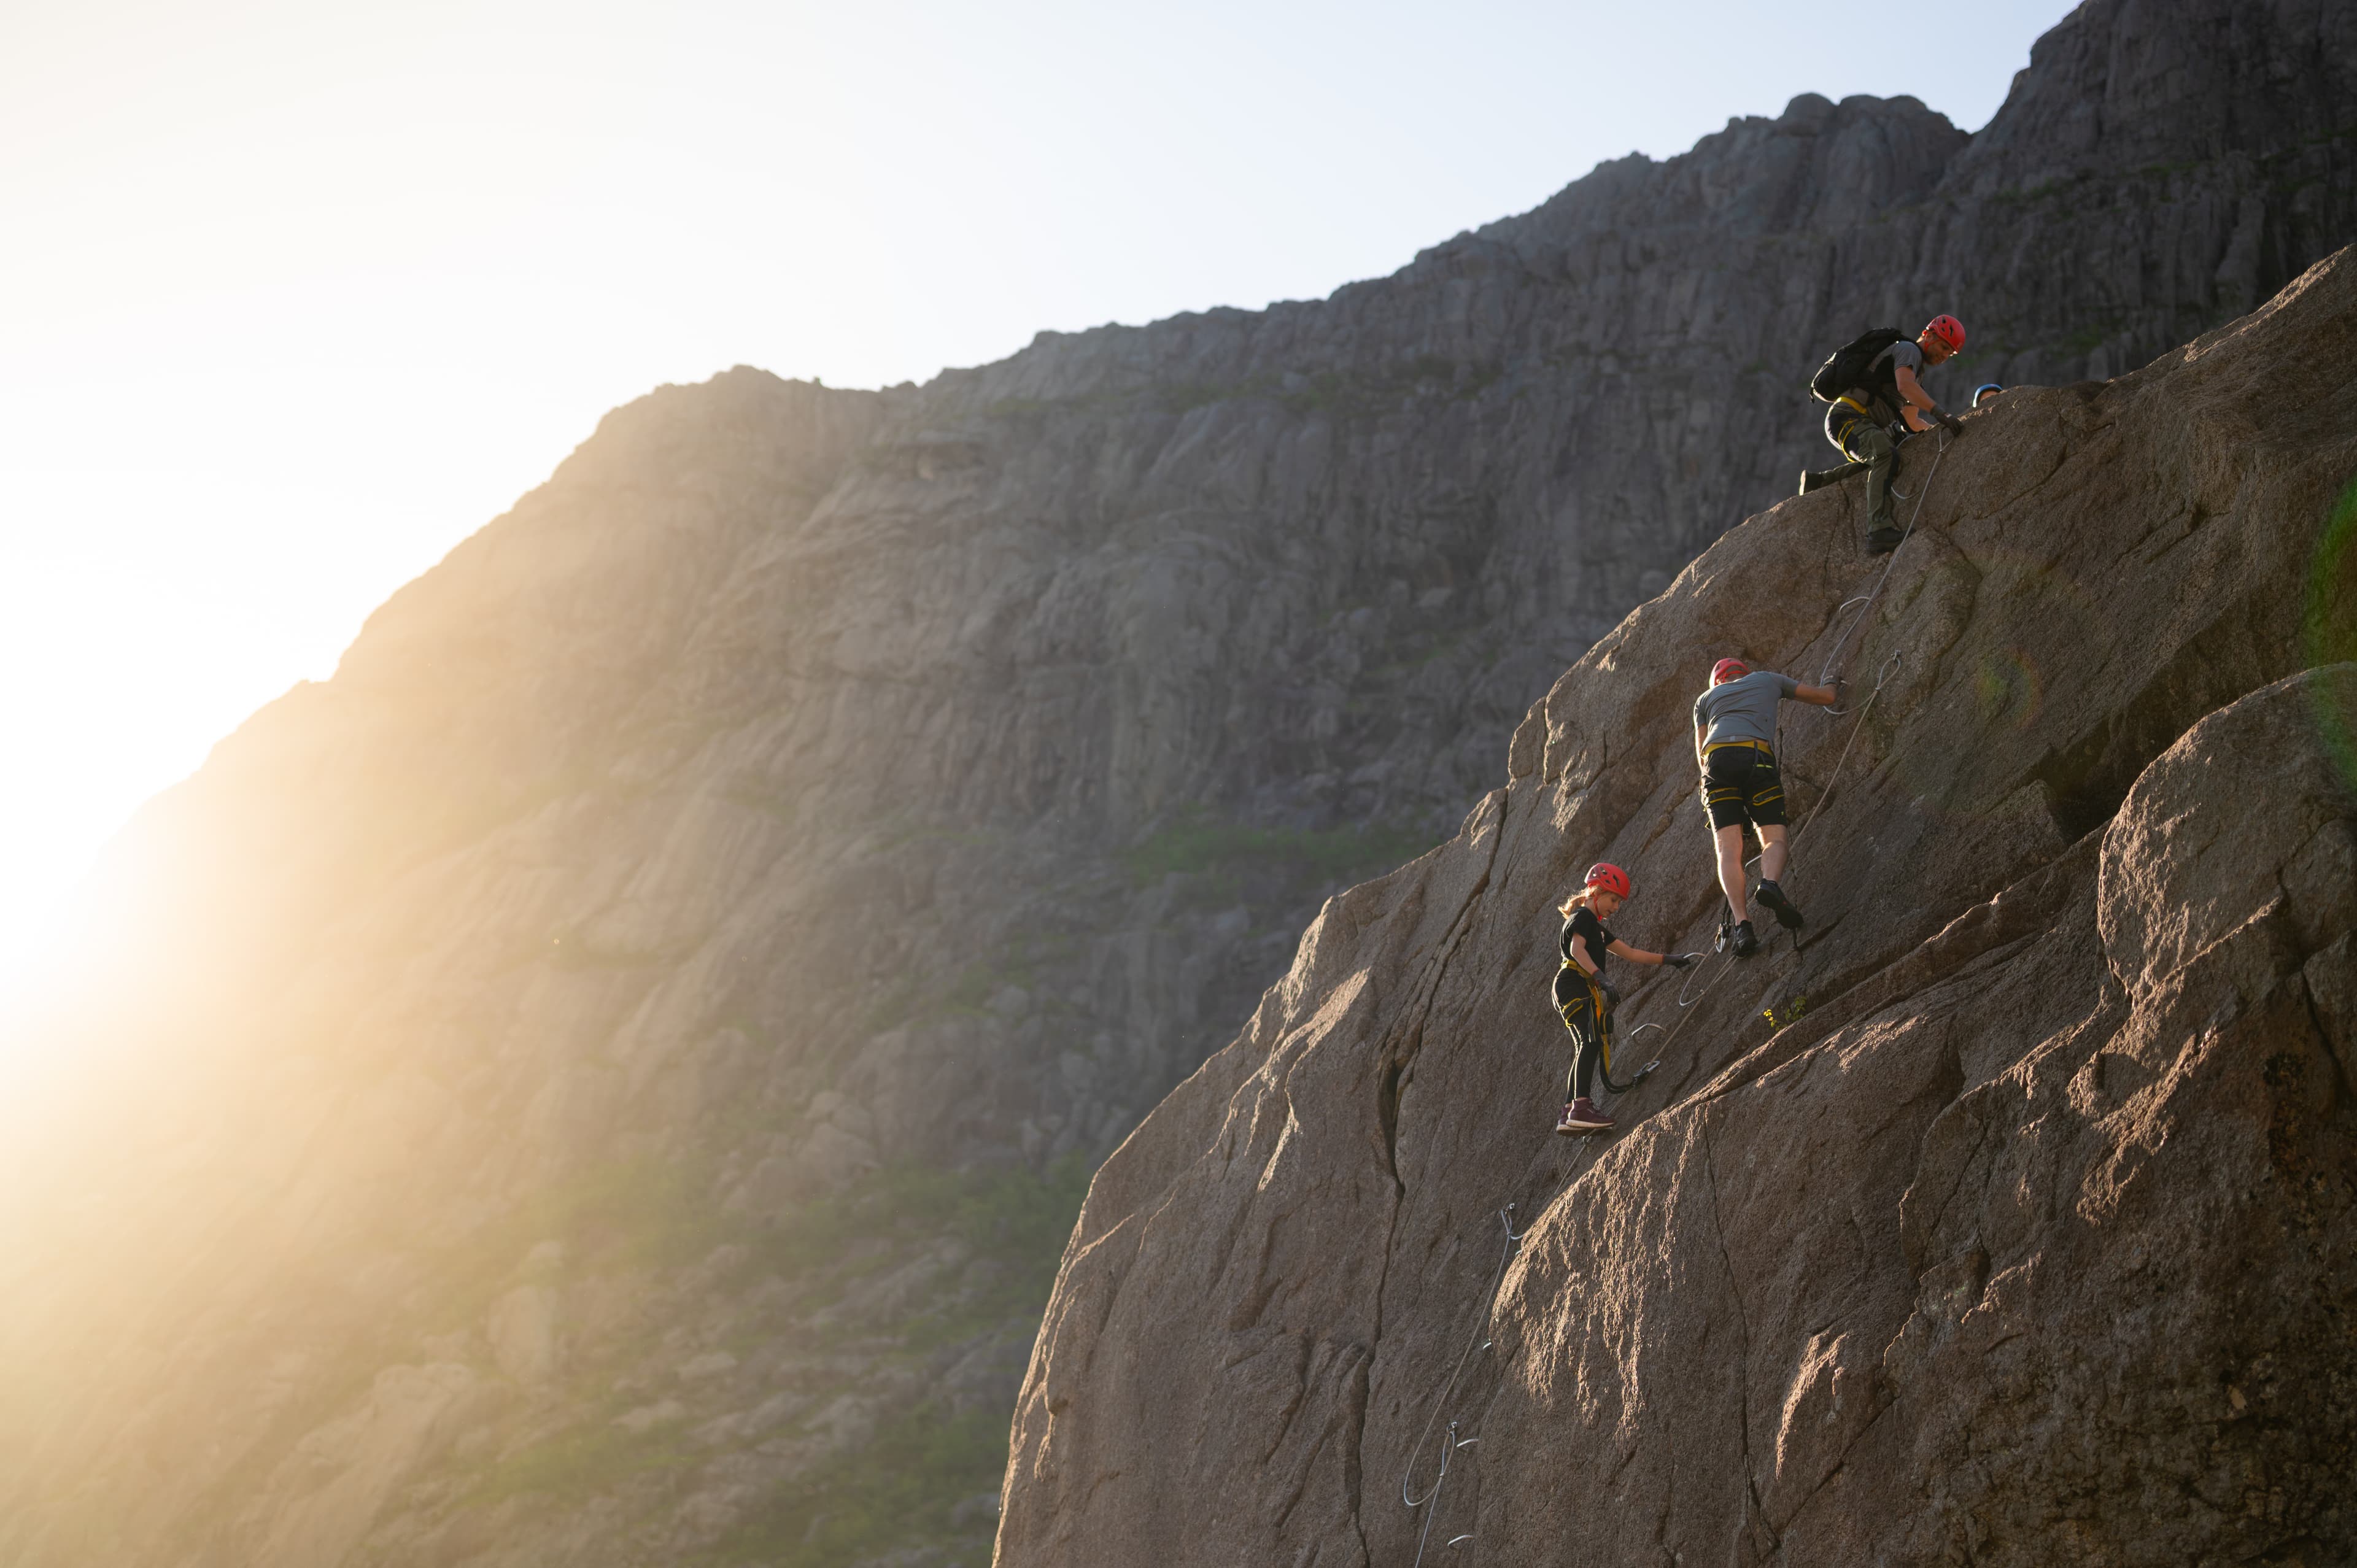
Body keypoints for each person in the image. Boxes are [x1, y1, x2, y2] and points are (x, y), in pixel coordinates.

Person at [1693, 658, 1840, 957]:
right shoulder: (1767, 679)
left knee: (1728, 851)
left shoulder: (1705, 700)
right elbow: (1826, 697)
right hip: (1755, 755)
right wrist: (1835, 680)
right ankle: (1770, 884)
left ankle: (1742, 925)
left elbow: (1701, 758)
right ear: (1743, 674)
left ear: (1717, 681)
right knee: (1774, 838)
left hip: (1717, 763)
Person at [1803, 315, 1969, 554]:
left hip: (1853, 421)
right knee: (1884, 455)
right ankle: (1879, 531)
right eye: (1944, 347)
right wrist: (1942, 415)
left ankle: (1819, 483)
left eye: (1950, 353)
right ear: (1930, 335)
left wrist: (1939, 433)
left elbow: (1911, 422)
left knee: (1884, 459)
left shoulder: (1916, 374)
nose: (1945, 356)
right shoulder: (1909, 350)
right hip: (1849, 417)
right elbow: (1905, 387)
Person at [1553, 862, 1693, 1135]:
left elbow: (1631, 953)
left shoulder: (1598, 929)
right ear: (1596, 891)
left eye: (1619, 903)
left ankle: (1569, 1112)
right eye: (1614, 899)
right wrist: (1601, 977)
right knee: (1590, 1042)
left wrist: (1670, 960)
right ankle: (1581, 1108)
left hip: (1574, 986)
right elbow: (1576, 949)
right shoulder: (1583, 918)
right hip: (1574, 983)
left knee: (1586, 1044)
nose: (1616, 907)